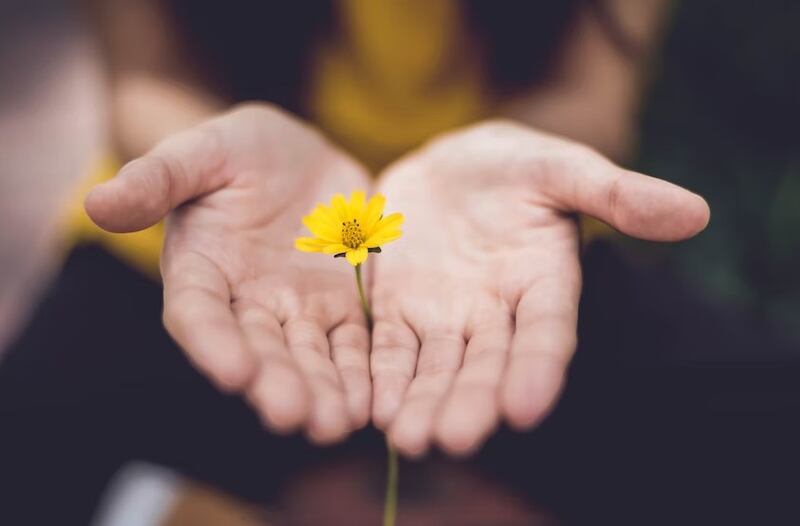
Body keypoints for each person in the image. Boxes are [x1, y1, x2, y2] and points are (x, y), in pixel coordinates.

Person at [2, 1, 796, 523]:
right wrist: (203, 158)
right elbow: (148, 78)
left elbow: (589, 97)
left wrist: (514, 156)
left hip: (494, 257)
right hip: (218, 248)